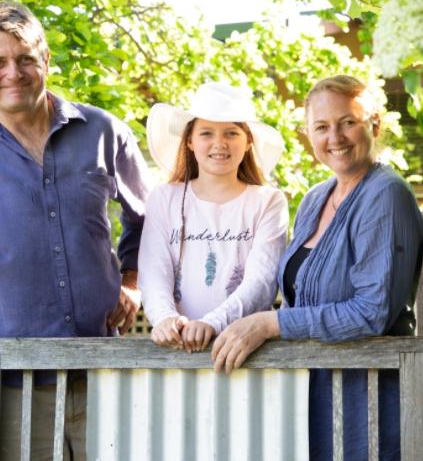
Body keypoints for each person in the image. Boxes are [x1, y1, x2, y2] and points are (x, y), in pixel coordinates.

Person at [0, 1, 150, 461]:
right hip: (13, 383)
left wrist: (133, 282)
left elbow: (148, 219)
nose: (13, 73)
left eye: (26, 58)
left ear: (46, 60)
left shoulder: (105, 132)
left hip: (103, 372)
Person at [212, 75, 423, 461]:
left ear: (374, 124)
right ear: (308, 134)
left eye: (348, 122)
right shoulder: (314, 198)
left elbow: (371, 313)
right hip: (313, 393)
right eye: (322, 127)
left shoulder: (385, 193)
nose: (335, 138)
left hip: (368, 399)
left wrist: (270, 324)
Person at [138, 81, 289, 352]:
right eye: (206, 133)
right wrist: (165, 318)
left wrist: (213, 323)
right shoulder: (164, 198)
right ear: (190, 141)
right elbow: (153, 269)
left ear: (248, 142)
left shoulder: (268, 201)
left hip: (244, 349)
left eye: (232, 133)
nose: (220, 143)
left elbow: (262, 281)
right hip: (177, 346)